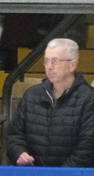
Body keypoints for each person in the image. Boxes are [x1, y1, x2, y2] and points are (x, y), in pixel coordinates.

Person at [6, 38, 94, 167]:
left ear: (72, 65)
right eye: (46, 61)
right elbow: (14, 135)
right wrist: (19, 153)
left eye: (55, 61)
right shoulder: (31, 95)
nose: (49, 66)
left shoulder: (89, 98)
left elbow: (87, 146)